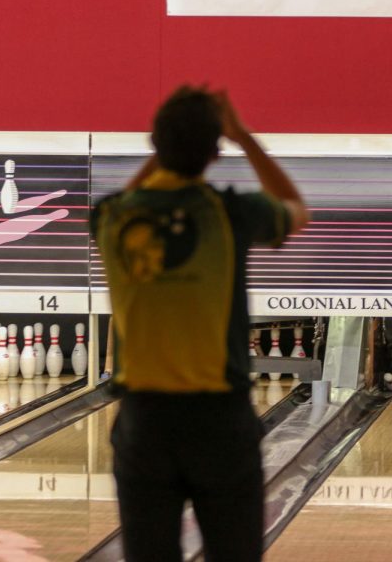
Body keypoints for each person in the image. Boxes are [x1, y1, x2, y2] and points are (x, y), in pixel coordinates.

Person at [91, 85, 308, 561]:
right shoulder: (230, 213)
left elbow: (137, 192)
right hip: (219, 426)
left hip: (144, 425)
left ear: (155, 143)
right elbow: (297, 210)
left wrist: (165, 150)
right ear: (215, 151)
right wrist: (243, 137)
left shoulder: (111, 216)